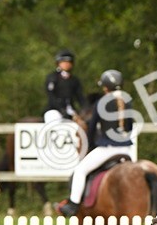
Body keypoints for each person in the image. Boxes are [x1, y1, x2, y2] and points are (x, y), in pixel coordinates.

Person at [56, 69, 137, 217]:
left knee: (80, 170)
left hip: (108, 149)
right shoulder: (128, 101)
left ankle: (73, 205)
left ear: (105, 87)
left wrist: (91, 146)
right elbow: (130, 127)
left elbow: (92, 128)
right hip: (127, 150)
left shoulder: (101, 102)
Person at [44, 48, 85, 123]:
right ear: (58, 63)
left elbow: (80, 97)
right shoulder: (52, 78)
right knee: (54, 118)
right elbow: (51, 96)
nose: (66, 64)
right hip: (54, 110)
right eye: (63, 62)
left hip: (70, 110)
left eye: (68, 62)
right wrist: (61, 110)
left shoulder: (74, 80)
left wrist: (85, 108)